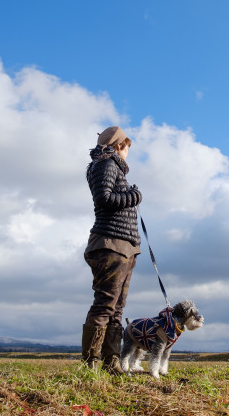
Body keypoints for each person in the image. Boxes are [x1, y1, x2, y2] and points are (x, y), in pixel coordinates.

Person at [81, 126, 142, 375]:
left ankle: (111, 362)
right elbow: (104, 199)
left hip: (124, 246)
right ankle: (91, 363)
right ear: (119, 146)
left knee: (117, 309)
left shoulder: (111, 166)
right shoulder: (106, 164)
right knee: (106, 305)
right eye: (128, 147)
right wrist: (134, 196)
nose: (128, 152)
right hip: (110, 245)